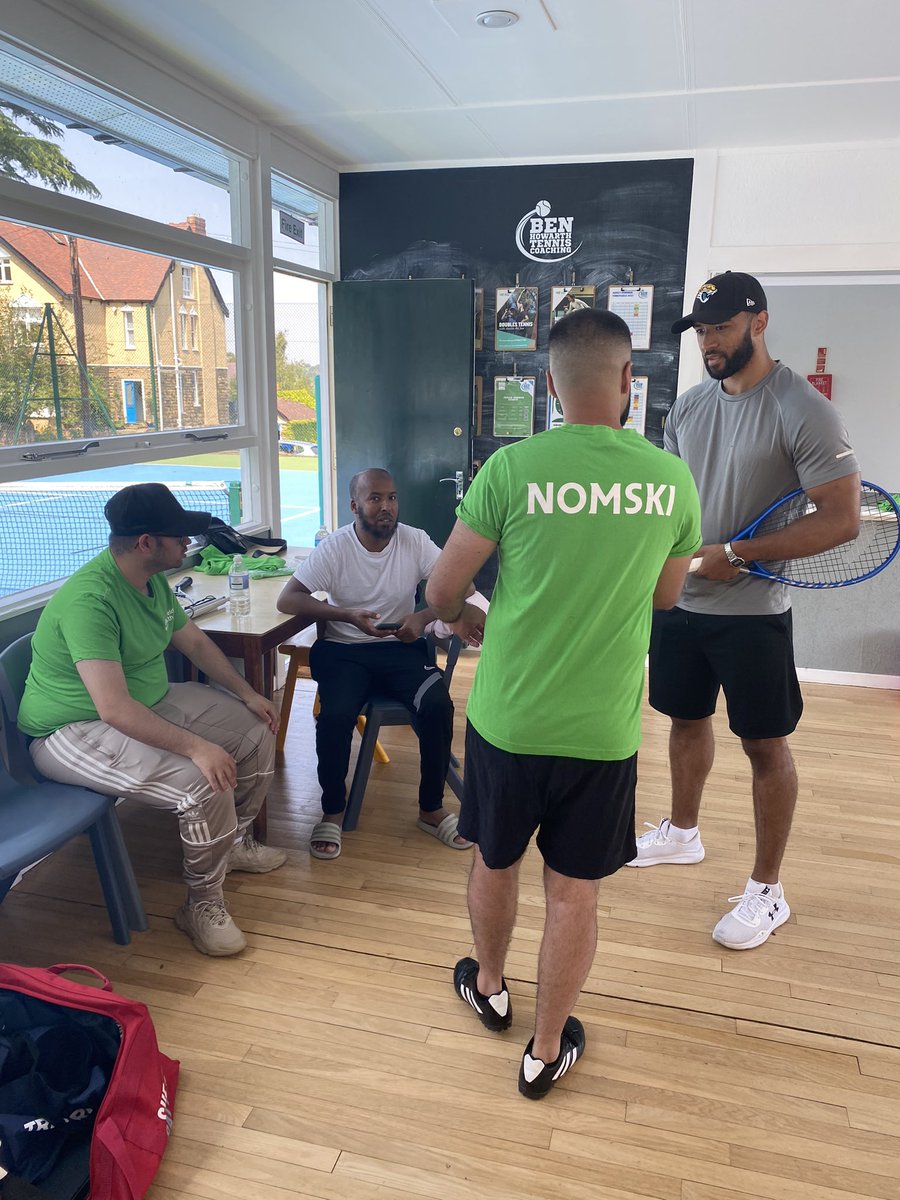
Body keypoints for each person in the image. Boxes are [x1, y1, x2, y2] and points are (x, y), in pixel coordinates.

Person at [425, 308, 702, 1099]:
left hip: (508, 720)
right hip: (602, 731)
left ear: (549, 384)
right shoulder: (669, 478)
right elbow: (666, 595)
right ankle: (545, 1051)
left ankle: (491, 984)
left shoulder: (511, 470)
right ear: (627, 383)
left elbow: (442, 590)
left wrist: (474, 618)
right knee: (574, 891)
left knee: (495, 857)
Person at [628, 271, 861, 951]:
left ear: (759, 322)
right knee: (684, 719)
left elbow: (842, 519)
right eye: (701, 329)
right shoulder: (690, 408)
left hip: (754, 611)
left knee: (763, 745)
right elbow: (671, 504)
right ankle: (682, 833)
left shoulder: (803, 408)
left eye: (722, 327)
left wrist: (740, 549)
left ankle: (768, 889)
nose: (709, 341)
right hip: (682, 601)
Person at [18, 483, 287, 958]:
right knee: (203, 780)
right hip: (71, 730)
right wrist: (197, 747)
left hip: (145, 703)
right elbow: (114, 710)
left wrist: (247, 693)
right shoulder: (90, 601)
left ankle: (234, 846)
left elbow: (196, 643)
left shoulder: (151, 580)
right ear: (146, 543)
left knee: (255, 730)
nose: (188, 543)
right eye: (178, 535)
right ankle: (202, 905)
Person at [276, 468, 471, 861]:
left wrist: (421, 617)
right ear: (355, 506)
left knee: (437, 705)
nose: (386, 507)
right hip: (345, 652)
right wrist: (344, 615)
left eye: (392, 497)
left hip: (400, 649)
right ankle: (332, 810)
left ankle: (430, 810)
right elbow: (289, 599)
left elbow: (460, 589)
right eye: (375, 498)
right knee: (335, 716)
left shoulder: (414, 540)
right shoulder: (335, 547)